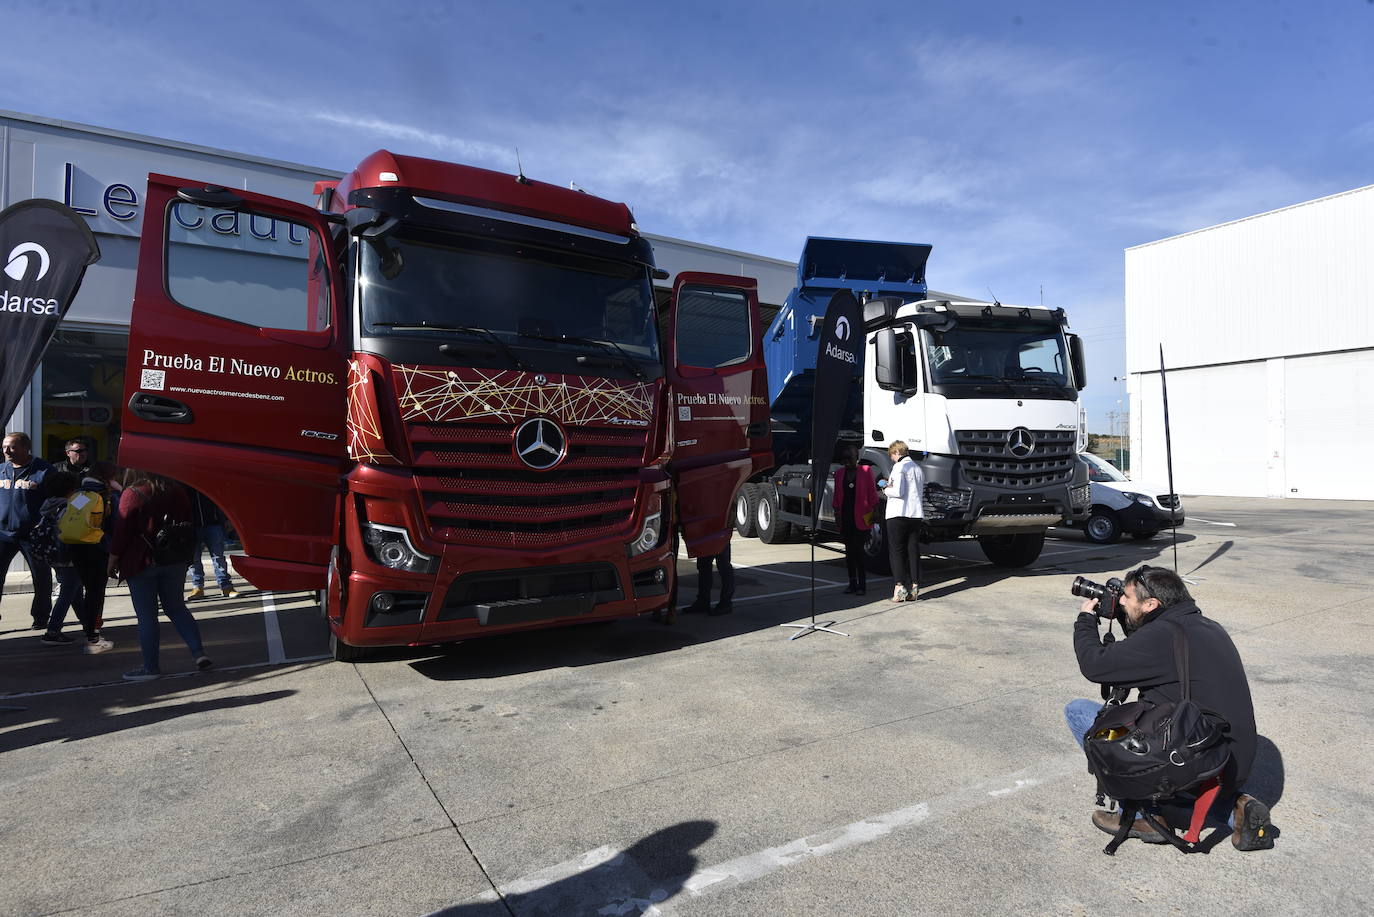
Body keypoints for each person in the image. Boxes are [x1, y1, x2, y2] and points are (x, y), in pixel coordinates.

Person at [1066, 565, 1276, 851]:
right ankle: (1235, 807)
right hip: (1226, 762)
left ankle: (1145, 816)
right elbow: (1148, 648)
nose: (1122, 602)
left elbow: (1095, 664)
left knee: (1079, 711)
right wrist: (1124, 615)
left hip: (1190, 760)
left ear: (1152, 604)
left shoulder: (1160, 637)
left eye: (1126, 597)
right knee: (1174, 756)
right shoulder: (1205, 625)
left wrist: (1085, 619)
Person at [108, 471, 212, 681]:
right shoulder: (177, 490)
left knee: (147, 616)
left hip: (142, 561)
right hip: (174, 559)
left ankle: (150, 667)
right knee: (176, 608)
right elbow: (188, 524)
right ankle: (199, 653)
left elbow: (123, 530)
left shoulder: (133, 493)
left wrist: (112, 559)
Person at [1, 432, 54, 628]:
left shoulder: (44, 471)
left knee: (41, 577)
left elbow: (56, 500)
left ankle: (41, 618)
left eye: (12, 447)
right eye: (4, 446)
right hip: (3, 534)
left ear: (26, 448)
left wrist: (43, 522)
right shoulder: (1, 470)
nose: (6, 451)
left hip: (32, 535)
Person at [880, 440, 924, 603]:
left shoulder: (899, 467)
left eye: (891, 455)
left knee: (897, 551)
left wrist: (885, 488)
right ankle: (915, 585)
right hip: (915, 514)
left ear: (897, 453)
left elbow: (898, 491)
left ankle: (899, 587)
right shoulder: (918, 469)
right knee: (913, 550)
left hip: (898, 513)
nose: (891, 458)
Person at [831, 446, 879, 595]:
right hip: (846, 518)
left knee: (859, 553)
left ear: (856, 458)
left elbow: (873, 495)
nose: (846, 463)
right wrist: (837, 514)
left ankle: (862, 585)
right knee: (849, 553)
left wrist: (873, 516)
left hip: (861, 519)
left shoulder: (865, 471)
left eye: (849, 459)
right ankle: (852, 583)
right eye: (844, 460)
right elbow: (837, 496)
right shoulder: (839, 474)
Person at [187, 488, 239, 600]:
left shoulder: (205, 479)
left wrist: (226, 518)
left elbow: (221, 498)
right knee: (194, 559)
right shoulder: (183, 482)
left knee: (218, 557)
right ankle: (198, 587)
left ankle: (225, 586)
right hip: (192, 526)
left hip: (213, 523)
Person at [681, 540, 735, 617]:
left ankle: (725, 603)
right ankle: (703, 602)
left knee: (724, 567)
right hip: (707, 535)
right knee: (704, 565)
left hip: (719, 534)